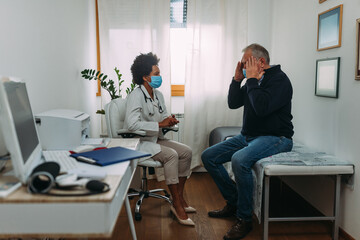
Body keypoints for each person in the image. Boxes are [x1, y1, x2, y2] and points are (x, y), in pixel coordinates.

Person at [201, 43, 294, 240]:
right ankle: (234, 202)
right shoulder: (254, 79)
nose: (243, 66)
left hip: (276, 138)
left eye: (246, 63)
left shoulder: (280, 80)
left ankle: (245, 219)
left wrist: (250, 79)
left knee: (239, 160)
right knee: (209, 156)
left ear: (260, 62)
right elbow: (234, 103)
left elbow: (261, 108)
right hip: (247, 136)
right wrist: (237, 80)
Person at [124, 52, 195, 226]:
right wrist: (160, 124)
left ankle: (179, 197)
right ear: (145, 77)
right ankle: (177, 204)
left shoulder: (158, 95)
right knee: (171, 155)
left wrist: (169, 121)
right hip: (141, 143)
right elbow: (131, 125)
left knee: (186, 152)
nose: (159, 77)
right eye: (156, 74)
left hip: (156, 139)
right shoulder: (136, 96)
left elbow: (162, 117)